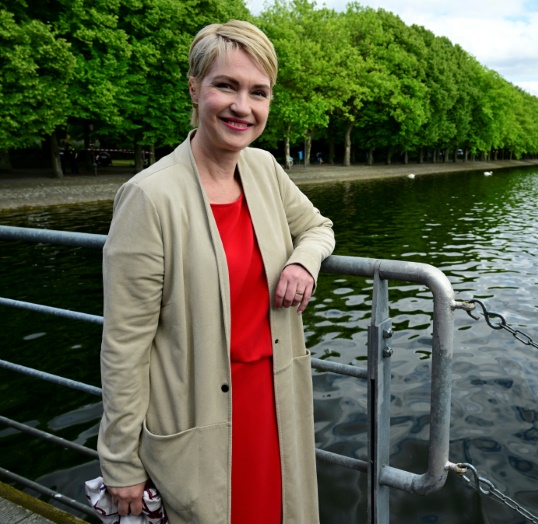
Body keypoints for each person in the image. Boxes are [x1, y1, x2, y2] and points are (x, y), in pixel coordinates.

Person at [97, 20, 335, 523]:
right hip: (198, 416)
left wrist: (302, 261)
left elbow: (318, 227)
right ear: (194, 87)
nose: (242, 107)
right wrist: (120, 462)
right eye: (226, 85)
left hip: (274, 406)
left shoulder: (265, 170)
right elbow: (125, 345)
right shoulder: (149, 196)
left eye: (258, 92)